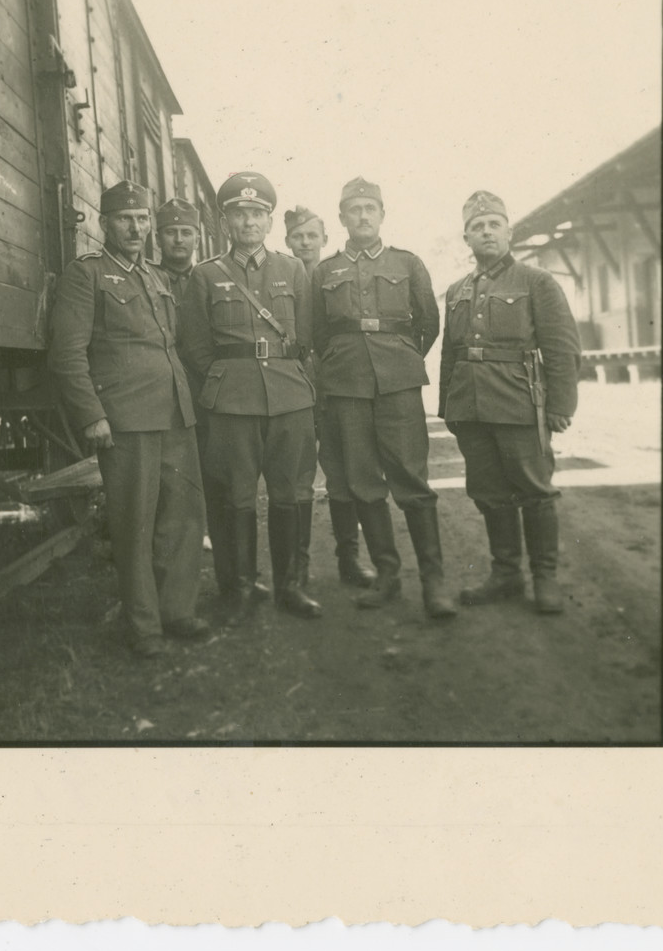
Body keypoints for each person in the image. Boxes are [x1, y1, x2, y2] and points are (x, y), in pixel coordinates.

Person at [47, 180, 209, 658]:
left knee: (182, 519)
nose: (136, 228)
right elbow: (68, 354)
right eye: (125, 219)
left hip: (176, 413)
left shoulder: (156, 277)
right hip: (126, 418)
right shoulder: (88, 275)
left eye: (142, 220)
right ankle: (145, 627)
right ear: (104, 224)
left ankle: (178, 612)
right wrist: (92, 415)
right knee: (134, 523)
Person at [311, 177, 457, 618]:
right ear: (341, 218)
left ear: (382, 214)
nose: (362, 216)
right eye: (353, 209)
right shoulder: (324, 271)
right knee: (363, 484)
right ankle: (388, 575)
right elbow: (318, 333)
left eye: (370, 208)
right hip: (347, 384)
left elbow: (429, 324)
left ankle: (434, 583)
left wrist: (401, 359)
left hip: (398, 383)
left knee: (411, 481)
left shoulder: (408, 263)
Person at [181, 173, 321, 623]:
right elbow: (196, 347)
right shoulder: (205, 276)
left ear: (270, 220)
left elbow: (307, 333)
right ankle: (239, 587)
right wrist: (224, 384)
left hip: (289, 397)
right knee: (235, 497)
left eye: (257, 213)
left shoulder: (293, 269)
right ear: (225, 221)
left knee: (291, 494)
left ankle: (291, 587)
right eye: (239, 214)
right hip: (233, 401)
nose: (248, 222)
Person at [437, 190, 581, 614]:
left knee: (535, 492)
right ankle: (506, 575)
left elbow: (563, 348)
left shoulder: (537, 282)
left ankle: (545, 578)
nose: (486, 232)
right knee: (488, 491)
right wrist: (448, 405)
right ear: (466, 238)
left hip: (520, 404)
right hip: (472, 408)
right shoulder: (456, 290)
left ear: (508, 232)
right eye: (477, 227)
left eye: (493, 225)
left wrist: (561, 405)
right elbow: (451, 350)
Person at [154, 197, 269, 601]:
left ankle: (235, 580)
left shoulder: (215, 276)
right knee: (173, 499)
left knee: (227, 492)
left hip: (214, 401)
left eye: (186, 232)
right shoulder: (151, 280)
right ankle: (169, 593)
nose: (179, 240)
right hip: (167, 405)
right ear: (159, 237)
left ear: (197, 237)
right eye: (171, 233)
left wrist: (213, 389)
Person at [284, 204, 376, 589]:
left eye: (311, 236)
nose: (305, 243)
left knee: (344, 472)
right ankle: (297, 565)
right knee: (296, 476)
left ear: (324, 238)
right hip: (293, 389)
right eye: (297, 237)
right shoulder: (281, 276)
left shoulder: (334, 276)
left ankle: (349, 559)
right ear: (287, 241)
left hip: (337, 387)